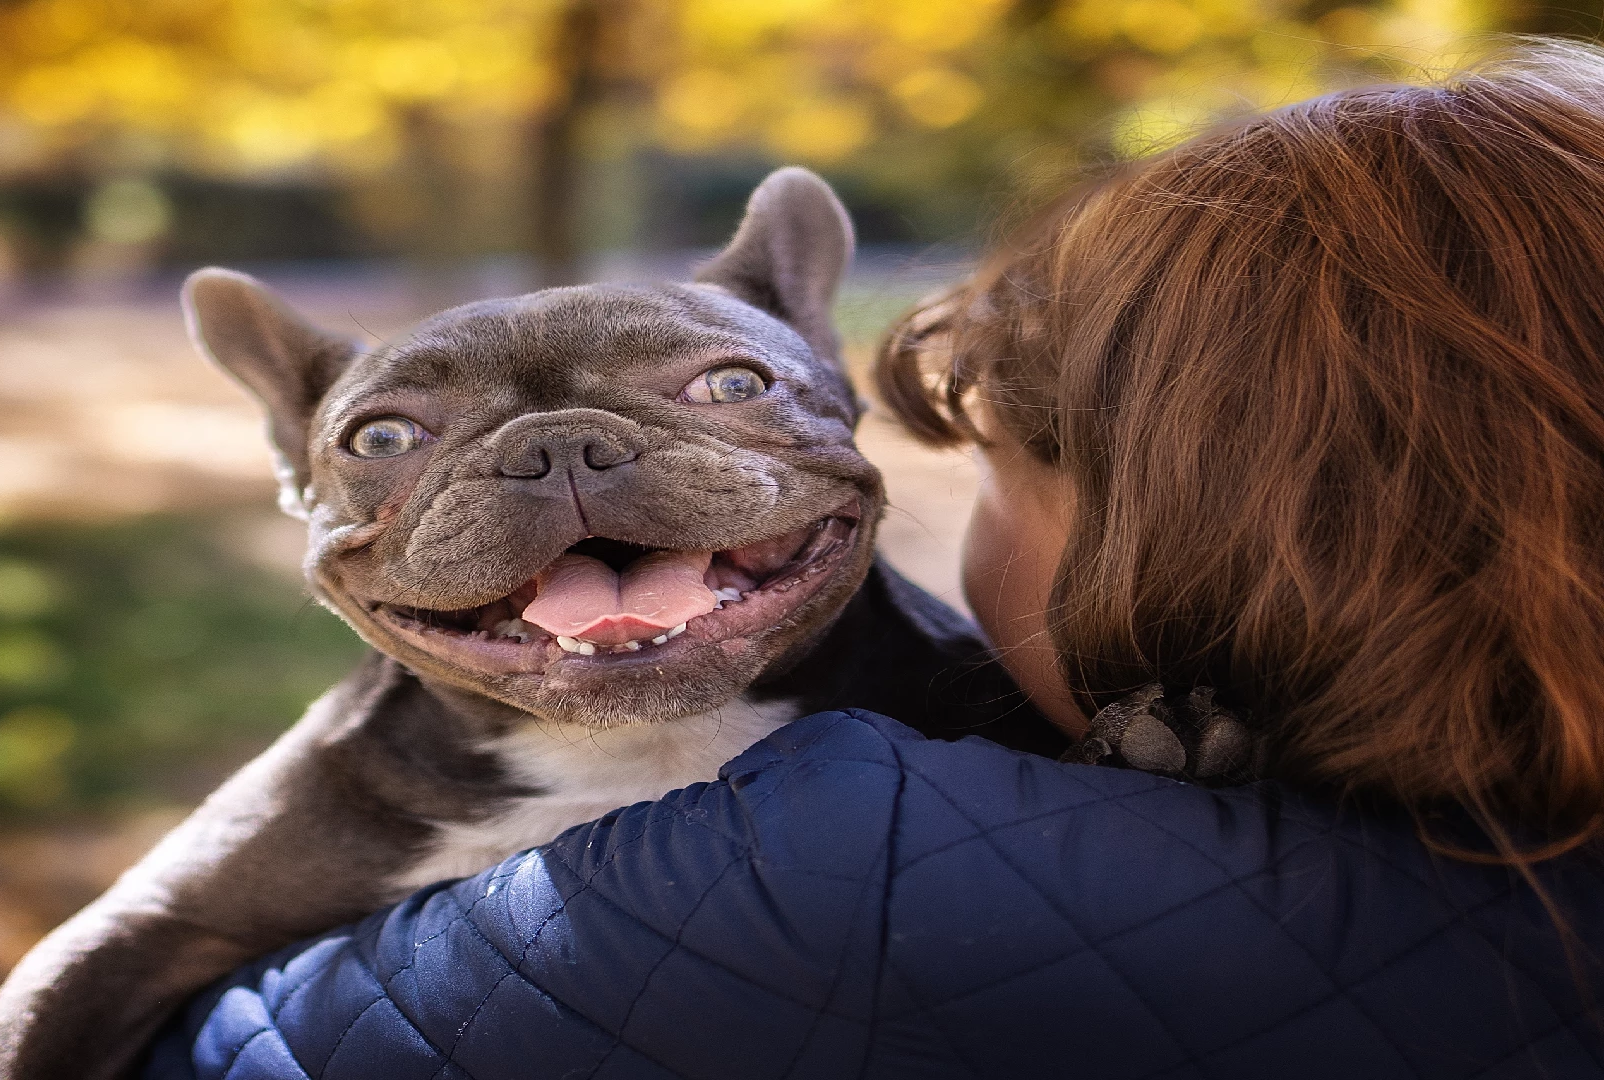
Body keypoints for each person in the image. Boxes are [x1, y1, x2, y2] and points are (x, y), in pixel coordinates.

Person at [145, 42, 1604, 1079]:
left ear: (1207, 531)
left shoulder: (832, 865)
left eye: (998, 449)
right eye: (393, 436)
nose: (564, 464)